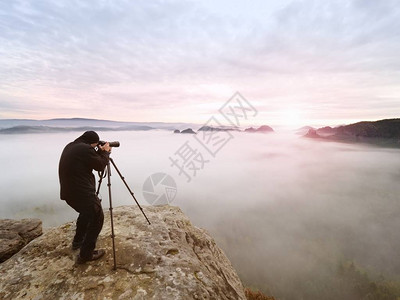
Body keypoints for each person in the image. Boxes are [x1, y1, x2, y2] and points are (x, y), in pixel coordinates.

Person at [58, 131, 111, 264]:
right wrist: (105, 152)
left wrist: (98, 152)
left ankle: (78, 242)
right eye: (94, 146)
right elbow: (99, 166)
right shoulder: (86, 149)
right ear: (93, 143)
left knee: (87, 213)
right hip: (81, 192)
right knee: (97, 216)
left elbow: (90, 161)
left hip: (70, 192)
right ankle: (85, 255)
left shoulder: (72, 146)